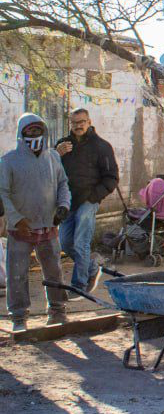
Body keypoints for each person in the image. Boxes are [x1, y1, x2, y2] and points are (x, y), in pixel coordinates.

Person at [0, 114, 71, 332]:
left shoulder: (53, 157)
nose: (34, 135)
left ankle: (58, 311)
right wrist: (15, 218)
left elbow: (63, 185)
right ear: (21, 133)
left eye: (37, 130)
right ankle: (19, 317)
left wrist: (63, 206)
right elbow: (2, 193)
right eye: (29, 131)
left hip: (49, 226)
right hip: (20, 229)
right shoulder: (8, 160)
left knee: (54, 271)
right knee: (17, 273)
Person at [55, 108, 119, 296]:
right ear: (70, 124)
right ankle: (91, 268)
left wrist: (94, 197)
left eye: (82, 122)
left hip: (89, 200)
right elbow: (49, 172)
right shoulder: (62, 145)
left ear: (89, 122)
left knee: (81, 243)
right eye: (74, 123)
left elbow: (112, 178)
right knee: (66, 243)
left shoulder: (101, 146)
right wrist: (55, 155)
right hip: (67, 201)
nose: (78, 126)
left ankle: (79, 286)